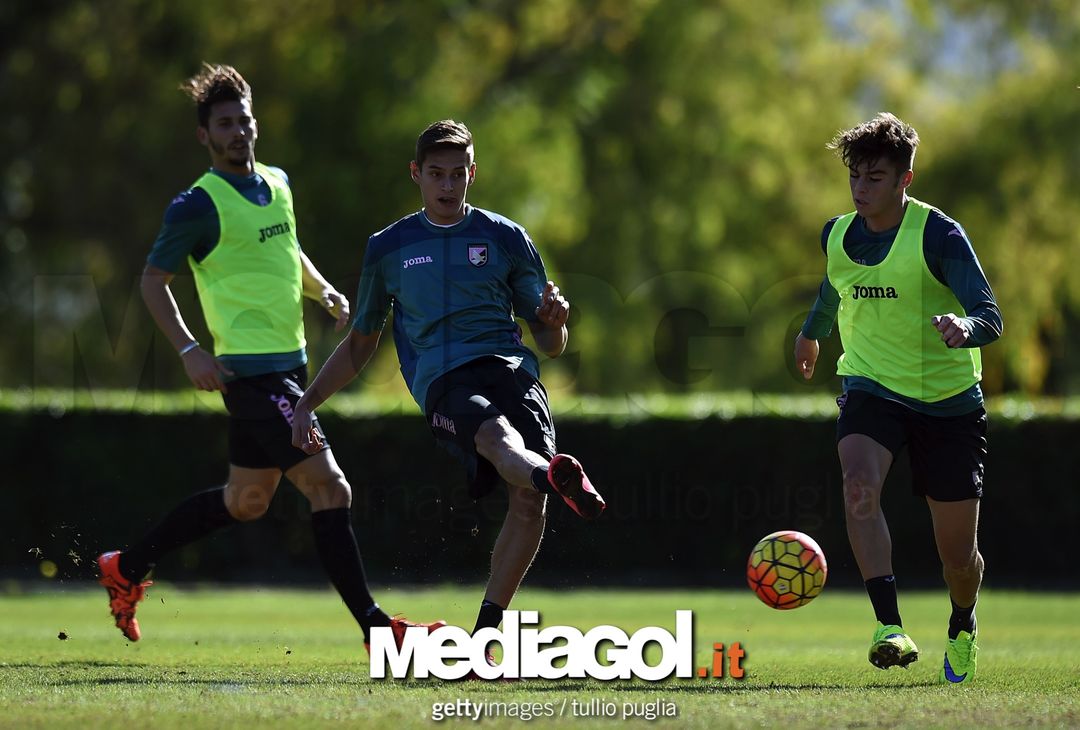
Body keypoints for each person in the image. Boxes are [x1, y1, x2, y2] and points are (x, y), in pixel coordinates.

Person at [96, 63, 441, 649]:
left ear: (255, 123)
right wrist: (189, 350)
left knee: (247, 501)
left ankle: (125, 567)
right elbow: (153, 281)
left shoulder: (278, 182)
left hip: (292, 367)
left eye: (244, 120)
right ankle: (378, 630)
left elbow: (289, 250)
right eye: (224, 124)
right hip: (252, 377)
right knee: (331, 488)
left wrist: (323, 290)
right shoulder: (196, 205)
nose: (238, 131)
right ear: (204, 135)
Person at [292, 119, 606, 656]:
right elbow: (361, 344)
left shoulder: (506, 237)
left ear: (472, 174)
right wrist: (306, 403)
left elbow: (551, 343)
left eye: (458, 173)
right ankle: (551, 475)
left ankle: (484, 641)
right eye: (436, 173)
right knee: (497, 438)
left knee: (528, 502)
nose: (447, 184)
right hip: (443, 378)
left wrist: (557, 320)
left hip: (512, 368)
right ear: (416, 173)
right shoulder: (388, 247)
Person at [793, 112, 1002, 684]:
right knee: (857, 485)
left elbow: (990, 314)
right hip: (871, 386)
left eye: (875, 178)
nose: (860, 189)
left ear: (905, 179)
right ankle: (889, 627)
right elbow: (833, 286)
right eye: (854, 176)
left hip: (949, 403)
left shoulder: (939, 235)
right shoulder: (838, 234)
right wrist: (812, 333)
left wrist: (964, 327)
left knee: (958, 558)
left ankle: (962, 619)